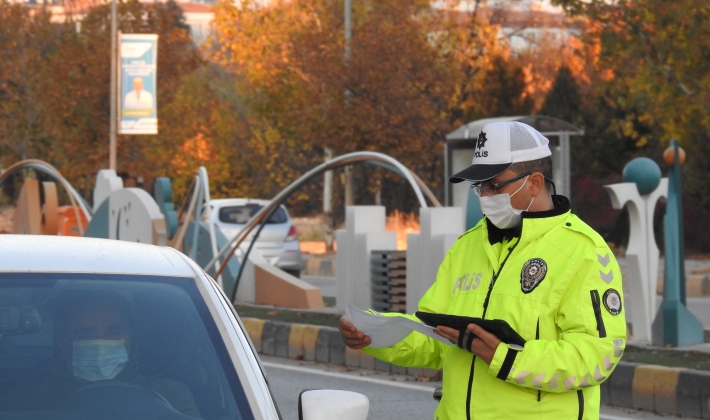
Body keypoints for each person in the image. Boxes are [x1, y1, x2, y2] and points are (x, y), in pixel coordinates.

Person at [340, 121, 626, 419]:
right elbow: (435, 338)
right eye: (479, 187)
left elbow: (597, 356)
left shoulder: (584, 251)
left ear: (535, 183)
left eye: (495, 185)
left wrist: (506, 358)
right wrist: (376, 334)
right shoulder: (468, 245)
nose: (485, 197)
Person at [0, 292, 201, 418]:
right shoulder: (25, 400)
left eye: (113, 333)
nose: (101, 342)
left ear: (128, 338)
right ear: (63, 343)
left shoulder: (170, 395)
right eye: (86, 334)